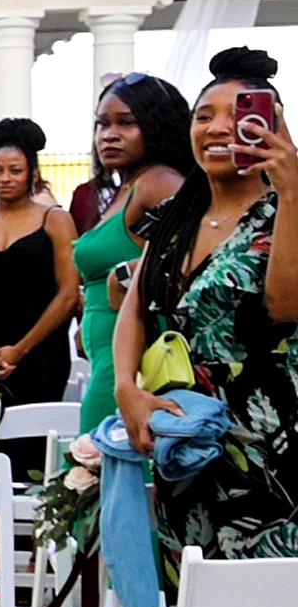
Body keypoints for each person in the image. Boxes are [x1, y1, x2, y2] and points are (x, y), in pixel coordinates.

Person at [113, 47, 298, 607]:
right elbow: (135, 314)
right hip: (186, 465)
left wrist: (293, 188)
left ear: (274, 127)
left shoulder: (286, 208)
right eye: (204, 116)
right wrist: (126, 387)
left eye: (243, 115)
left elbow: (285, 307)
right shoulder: (176, 216)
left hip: (268, 468)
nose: (221, 129)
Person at [0, 118, 79, 484]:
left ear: (32, 173)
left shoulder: (55, 220)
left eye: (15, 170)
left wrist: (20, 350)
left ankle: (35, 537)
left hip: (41, 352)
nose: (5, 178)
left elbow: (68, 294)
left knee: (34, 448)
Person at [73, 74, 192, 435]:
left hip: (132, 365)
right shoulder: (126, 187)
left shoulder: (159, 181)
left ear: (157, 127)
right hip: (107, 358)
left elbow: (196, 255)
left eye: (126, 123)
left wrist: (123, 274)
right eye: (102, 124)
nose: (108, 135)